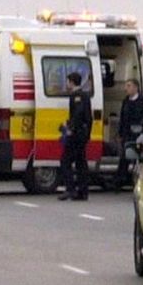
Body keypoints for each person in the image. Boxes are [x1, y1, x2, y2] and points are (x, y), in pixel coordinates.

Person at [59, 72, 92, 201]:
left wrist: (70, 128)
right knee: (81, 163)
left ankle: (70, 189)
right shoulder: (85, 95)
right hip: (82, 134)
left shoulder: (77, 96)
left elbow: (78, 114)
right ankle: (83, 192)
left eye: (67, 81)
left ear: (71, 82)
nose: (67, 84)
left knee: (65, 161)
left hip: (76, 135)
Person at [116, 78, 143, 191]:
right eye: (126, 86)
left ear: (136, 87)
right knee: (124, 158)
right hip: (127, 134)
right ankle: (120, 181)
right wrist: (120, 134)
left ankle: (141, 182)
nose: (126, 88)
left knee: (140, 159)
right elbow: (122, 118)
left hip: (139, 135)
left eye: (129, 86)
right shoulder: (126, 101)